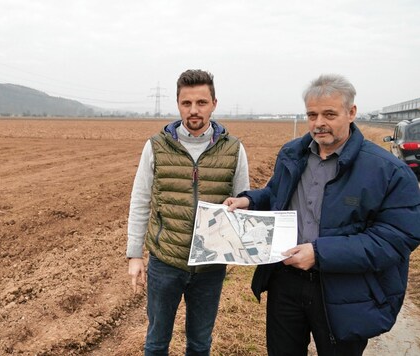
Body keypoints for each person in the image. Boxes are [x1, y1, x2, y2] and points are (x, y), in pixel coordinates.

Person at [224, 74, 420, 355]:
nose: (319, 123)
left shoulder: (387, 171)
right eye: (312, 114)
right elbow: (276, 193)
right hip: (286, 281)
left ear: (351, 113)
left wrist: (320, 253)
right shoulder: (293, 153)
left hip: (346, 289)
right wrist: (249, 201)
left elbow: (396, 238)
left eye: (329, 114)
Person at [127, 69, 250, 355]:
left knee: (199, 343)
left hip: (210, 266)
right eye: (186, 103)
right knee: (156, 342)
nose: (194, 110)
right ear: (178, 103)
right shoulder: (157, 147)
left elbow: (244, 201)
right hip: (166, 261)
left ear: (214, 104)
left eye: (201, 103)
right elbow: (140, 200)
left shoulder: (233, 149)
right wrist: (135, 255)